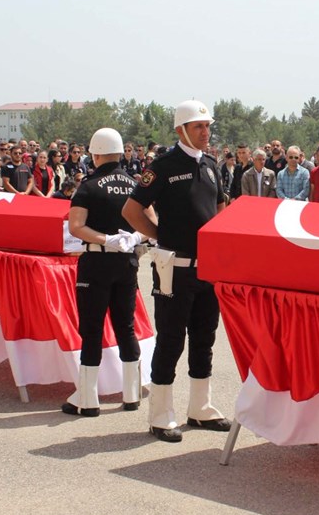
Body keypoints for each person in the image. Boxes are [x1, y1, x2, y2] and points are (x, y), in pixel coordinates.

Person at [123, 99, 232, 443]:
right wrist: (161, 235)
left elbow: (219, 208)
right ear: (181, 130)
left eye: (207, 126)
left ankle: (200, 407)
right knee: (171, 339)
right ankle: (160, 415)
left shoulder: (212, 165)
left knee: (205, 337)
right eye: (198, 126)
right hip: (174, 266)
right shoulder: (163, 166)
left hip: (207, 268)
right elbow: (132, 209)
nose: (205, 131)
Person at [62, 128, 152, 417]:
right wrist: (135, 238)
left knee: (92, 328)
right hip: (126, 263)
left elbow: (76, 226)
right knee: (125, 326)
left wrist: (104, 239)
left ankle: (87, 399)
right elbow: (152, 223)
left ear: (95, 153)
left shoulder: (88, 186)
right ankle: (131, 394)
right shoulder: (134, 185)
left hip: (97, 261)